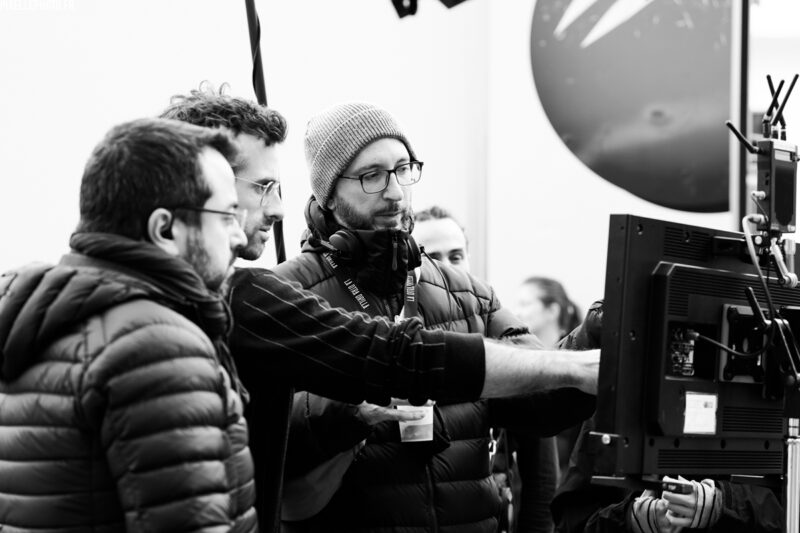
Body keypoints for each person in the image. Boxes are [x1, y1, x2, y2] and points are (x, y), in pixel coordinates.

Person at [161, 89, 599, 533]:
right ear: (329, 194)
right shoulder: (277, 291)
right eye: (371, 175)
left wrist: (596, 338)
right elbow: (261, 437)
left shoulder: (470, 293)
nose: (394, 191)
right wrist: (348, 410)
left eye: (403, 169)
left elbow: (542, 406)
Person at [0, 118, 257, 531]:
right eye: (227, 215)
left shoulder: (51, 320)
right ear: (165, 229)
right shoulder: (157, 344)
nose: (239, 236)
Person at [551, 302, 784, 533]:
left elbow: (787, 511)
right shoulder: (627, 398)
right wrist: (631, 519)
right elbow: (572, 522)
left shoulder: (782, 400)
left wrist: (723, 504)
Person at [415, 205, 560, 533]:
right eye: (431, 257)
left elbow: (542, 474)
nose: (446, 267)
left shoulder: (499, 332)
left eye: (456, 255)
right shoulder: (393, 338)